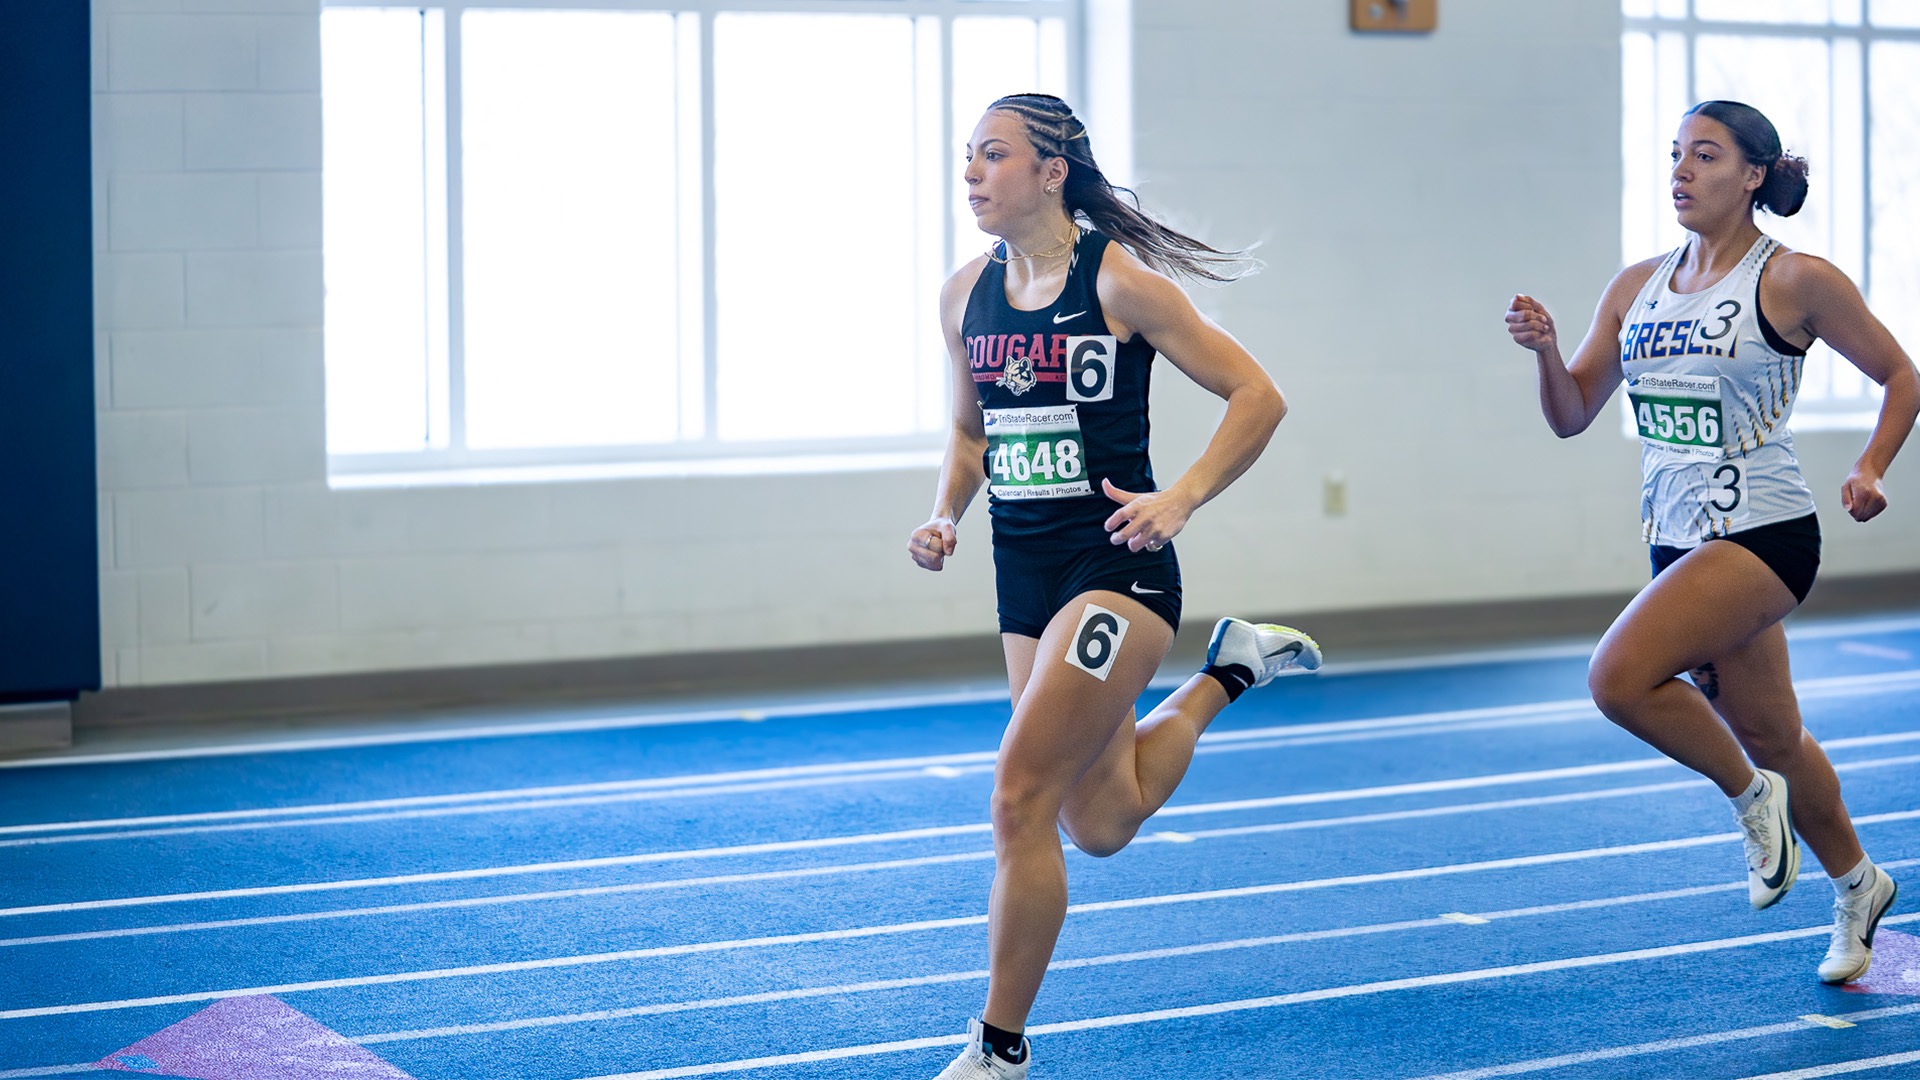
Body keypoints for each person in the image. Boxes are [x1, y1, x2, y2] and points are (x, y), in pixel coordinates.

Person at [907, 92, 1319, 1078]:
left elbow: (1258, 395)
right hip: (1025, 575)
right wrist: (944, 513)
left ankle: (997, 1050)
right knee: (1098, 821)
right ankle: (1230, 671)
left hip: (1117, 570)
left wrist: (1181, 498)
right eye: (967, 157)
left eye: (992, 155)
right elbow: (971, 432)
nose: (972, 173)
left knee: (1018, 798)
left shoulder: (1120, 284)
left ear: (1051, 169)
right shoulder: (965, 294)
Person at [1505, 100, 1918, 984]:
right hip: (1675, 535)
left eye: (1705, 156)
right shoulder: (1637, 286)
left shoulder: (1796, 279)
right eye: (1675, 155)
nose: (1682, 171)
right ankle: (1860, 884)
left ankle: (1747, 798)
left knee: (1616, 678)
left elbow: (1900, 374)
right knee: (1773, 732)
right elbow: (1573, 414)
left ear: (1754, 175)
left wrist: (1873, 466)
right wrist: (1544, 352)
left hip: (1763, 530)